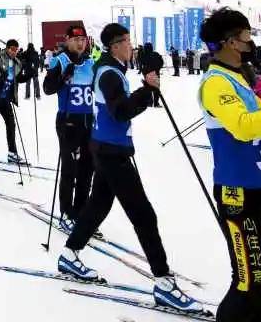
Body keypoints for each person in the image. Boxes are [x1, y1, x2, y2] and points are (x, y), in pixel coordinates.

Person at [57, 23, 204, 315]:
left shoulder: (113, 69)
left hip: (107, 147)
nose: (130, 45)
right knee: (144, 215)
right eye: (125, 41)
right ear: (114, 45)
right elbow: (120, 110)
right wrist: (145, 90)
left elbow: (127, 107)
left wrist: (147, 88)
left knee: (98, 206)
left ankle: (69, 254)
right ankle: (163, 283)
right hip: (111, 152)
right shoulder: (110, 73)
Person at [197, 8, 261, 321]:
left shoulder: (240, 77)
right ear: (229, 42)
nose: (250, 42)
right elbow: (242, 126)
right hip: (238, 193)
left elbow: (256, 121)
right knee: (248, 281)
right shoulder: (215, 82)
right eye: (246, 36)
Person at [43, 24, 96, 230]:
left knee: (87, 170)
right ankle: (66, 213)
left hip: (89, 122)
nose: (80, 43)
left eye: (83, 40)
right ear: (67, 40)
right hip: (68, 122)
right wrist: (63, 77)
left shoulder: (92, 63)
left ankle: (81, 211)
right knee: (69, 170)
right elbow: (47, 88)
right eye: (76, 40)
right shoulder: (60, 61)